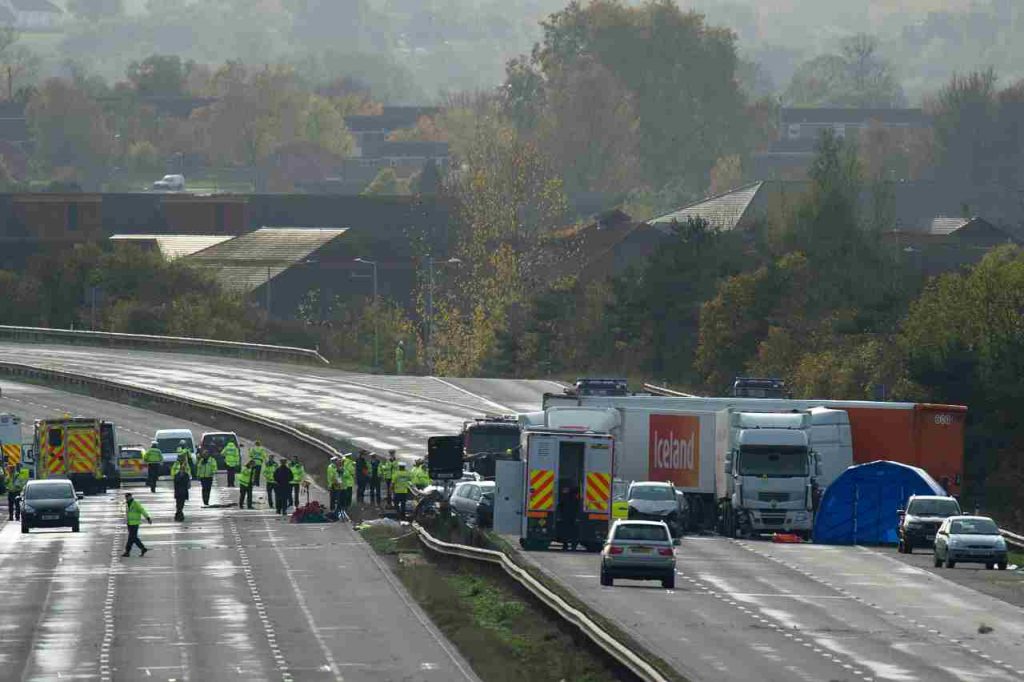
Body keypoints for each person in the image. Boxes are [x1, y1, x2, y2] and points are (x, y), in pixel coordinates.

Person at [122, 492, 152, 557]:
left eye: (128, 497)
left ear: (131, 497)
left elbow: (142, 510)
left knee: (132, 537)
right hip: (129, 523)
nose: (127, 498)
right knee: (132, 538)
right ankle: (142, 549)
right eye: (126, 497)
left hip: (135, 523)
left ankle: (128, 551)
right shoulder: (127, 504)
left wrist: (147, 517)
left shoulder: (135, 503)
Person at [556, 484, 580, 551]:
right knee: (574, 533)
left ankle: (565, 546)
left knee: (565, 532)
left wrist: (559, 516)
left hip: (565, 518)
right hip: (573, 518)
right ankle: (573, 546)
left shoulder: (565, 498)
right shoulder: (576, 499)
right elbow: (578, 508)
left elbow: (560, 507)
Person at [171, 455, 191, 522]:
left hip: (183, 491)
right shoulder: (176, 465)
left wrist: (188, 482)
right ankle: (179, 514)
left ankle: (179, 514)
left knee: (181, 504)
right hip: (178, 491)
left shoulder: (186, 471)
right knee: (178, 503)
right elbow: (173, 472)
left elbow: (188, 475)